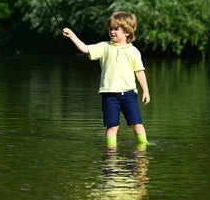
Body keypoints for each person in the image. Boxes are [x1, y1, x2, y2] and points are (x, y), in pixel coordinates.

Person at [62, 11, 151, 146]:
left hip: (129, 94)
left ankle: (143, 147)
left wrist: (145, 90)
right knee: (112, 126)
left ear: (127, 32)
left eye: (116, 29)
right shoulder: (104, 47)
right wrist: (73, 36)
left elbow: (139, 71)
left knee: (137, 124)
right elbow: (85, 49)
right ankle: (110, 152)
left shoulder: (133, 51)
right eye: (110, 29)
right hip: (109, 95)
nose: (112, 32)